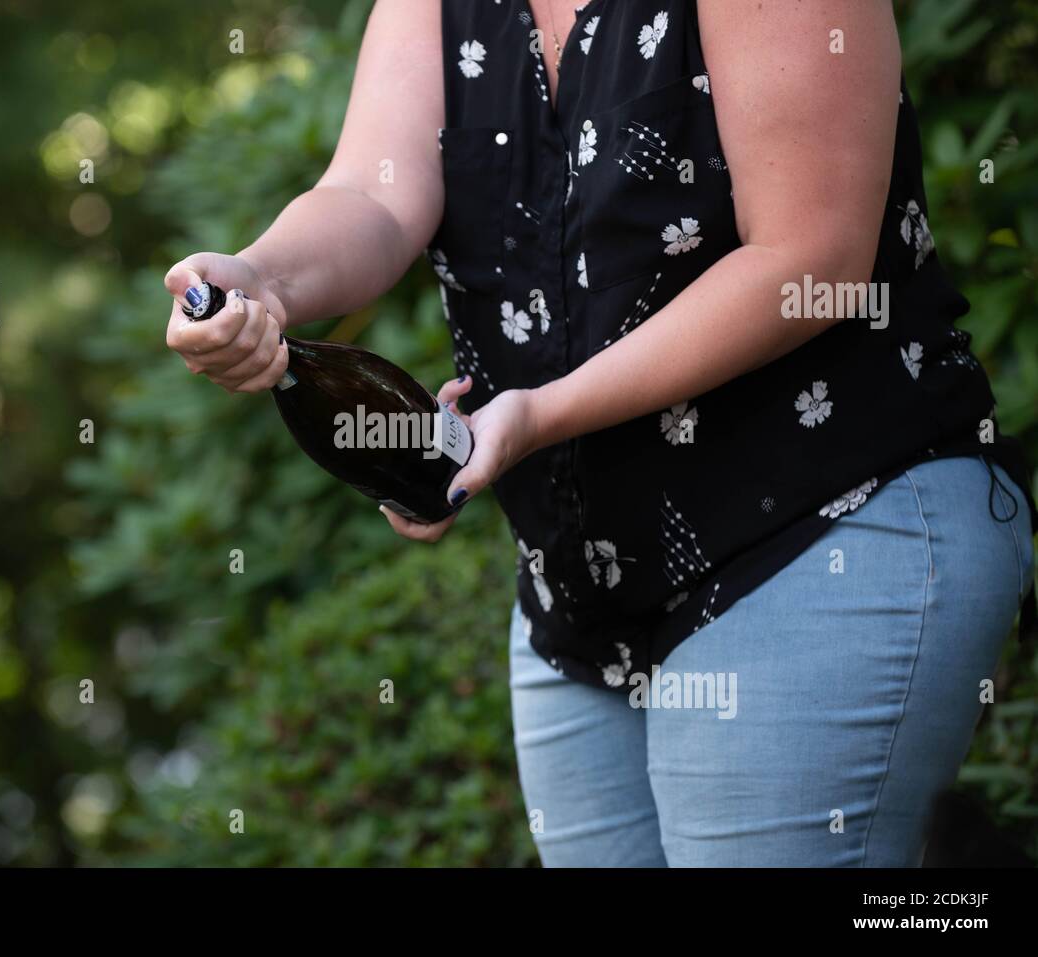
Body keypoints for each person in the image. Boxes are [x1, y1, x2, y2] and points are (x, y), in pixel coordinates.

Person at [164, 0, 1037, 867]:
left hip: (824, 519)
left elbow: (811, 259)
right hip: (578, 592)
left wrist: (542, 412)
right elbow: (374, 196)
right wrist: (259, 281)